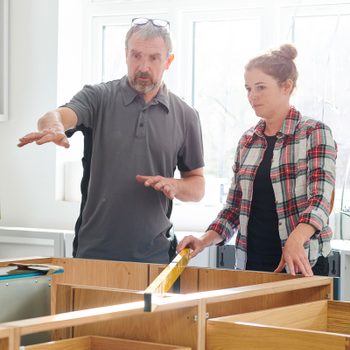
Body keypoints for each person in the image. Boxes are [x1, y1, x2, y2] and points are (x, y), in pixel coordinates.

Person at [18, 17, 205, 264]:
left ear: (168, 61)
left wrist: (176, 186)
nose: (143, 67)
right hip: (94, 253)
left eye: (153, 58)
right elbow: (57, 116)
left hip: (156, 256)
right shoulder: (98, 98)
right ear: (126, 55)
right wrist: (54, 126)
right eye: (136, 56)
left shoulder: (186, 115)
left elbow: (197, 186)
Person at [177, 44, 337, 277]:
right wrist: (203, 241)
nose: (252, 96)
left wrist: (296, 238)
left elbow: (321, 200)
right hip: (252, 265)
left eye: (260, 87)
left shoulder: (315, 133)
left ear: (286, 87)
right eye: (248, 88)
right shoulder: (247, 141)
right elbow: (233, 209)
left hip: (302, 265)